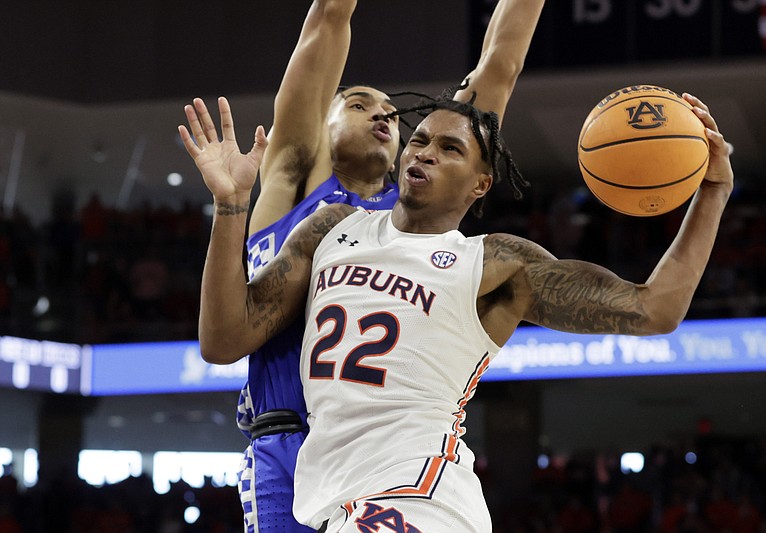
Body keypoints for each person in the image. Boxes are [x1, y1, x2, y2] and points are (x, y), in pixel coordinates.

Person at [184, 87, 733, 530]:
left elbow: (654, 308)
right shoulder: (330, 228)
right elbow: (224, 340)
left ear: (481, 184)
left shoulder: (494, 264)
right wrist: (231, 205)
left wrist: (711, 192)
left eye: (450, 149)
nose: (423, 152)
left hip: (419, 496)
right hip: (333, 502)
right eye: (419, 140)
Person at [181, 1, 545, 531]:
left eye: (394, 117)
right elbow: (329, 17)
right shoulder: (290, 182)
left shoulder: (422, 213)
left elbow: (499, 67)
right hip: (286, 447)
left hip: (387, 453)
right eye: (357, 104)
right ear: (319, 126)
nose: (382, 115)